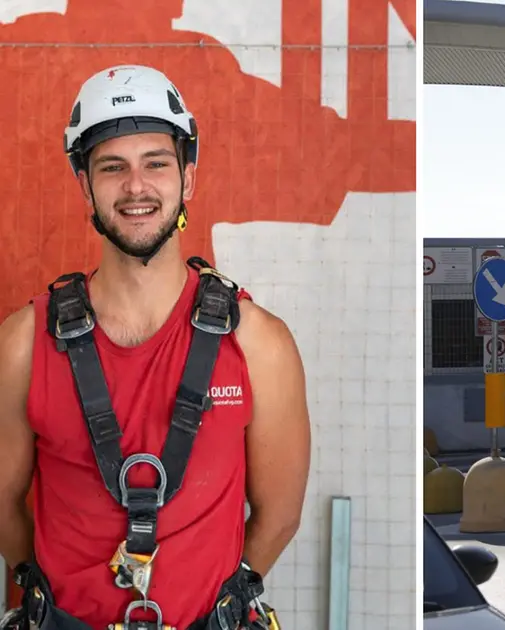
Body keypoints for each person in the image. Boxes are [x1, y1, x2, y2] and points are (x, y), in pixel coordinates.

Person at [0, 64, 311, 630]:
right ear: (85, 185)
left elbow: (280, 515)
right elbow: (2, 504)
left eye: (156, 164)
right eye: (112, 167)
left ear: (187, 179)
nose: (136, 187)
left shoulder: (259, 344)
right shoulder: (23, 343)